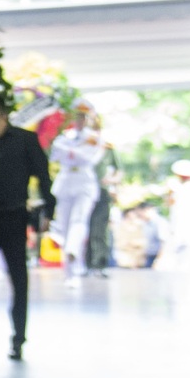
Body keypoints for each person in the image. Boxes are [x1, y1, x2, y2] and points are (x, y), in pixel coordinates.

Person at [0, 84, 53, 361]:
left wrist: (47, 211)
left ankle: (18, 337)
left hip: (13, 217)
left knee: (18, 278)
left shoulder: (24, 140)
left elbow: (43, 177)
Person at [50, 104, 106, 280]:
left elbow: (88, 157)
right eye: (77, 116)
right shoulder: (64, 137)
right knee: (64, 224)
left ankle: (73, 252)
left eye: (83, 117)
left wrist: (71, 152)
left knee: (79, 221)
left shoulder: (94, 139)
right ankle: (70, 271)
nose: (79, 120)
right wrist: (74, 151)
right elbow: (55, 155)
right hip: (66, 180)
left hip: (84, 181)